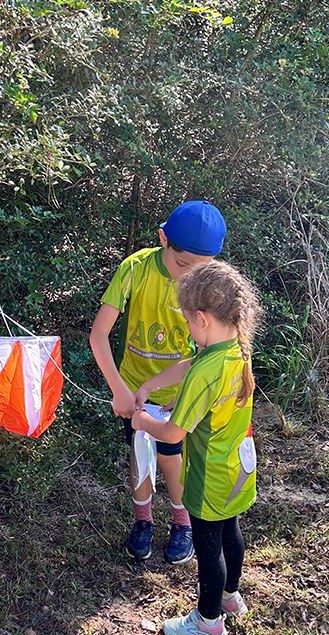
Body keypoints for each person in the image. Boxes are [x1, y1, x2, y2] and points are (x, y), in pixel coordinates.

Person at [131, 260, 262, 635]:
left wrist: (142, 422)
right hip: (239, 467)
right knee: (231, 533)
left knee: (208, 551)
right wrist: (154, 386)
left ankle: (208, 622)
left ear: (202, 319)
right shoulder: (236, 347)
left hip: (209, 476)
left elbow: (172, 431)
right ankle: (231, 598)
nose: (188, 328)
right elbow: (193, 370)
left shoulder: (209, 368)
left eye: (188, 321)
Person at [90, 201, 227, 563]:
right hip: (135, 388)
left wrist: (189, 388)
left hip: (181, 394)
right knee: (140, 455)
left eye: (200, 269)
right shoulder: (135, 269)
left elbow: (211, 349)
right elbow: (99, 335)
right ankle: (143, 521)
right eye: (183, 265)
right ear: (163, 239)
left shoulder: (210, 285)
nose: (188, 277)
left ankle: (182, 523)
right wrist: (119, 388)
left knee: (172, 459)